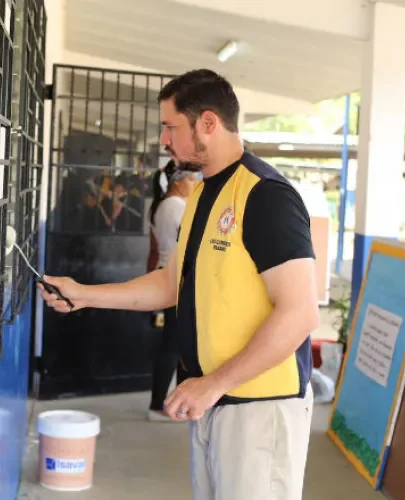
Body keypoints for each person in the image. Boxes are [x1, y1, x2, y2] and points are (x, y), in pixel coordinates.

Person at [38, 68, 319, 500]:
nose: (163, 140)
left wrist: (215, 383)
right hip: (211, 399)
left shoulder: (266, 196)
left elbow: (300, 313)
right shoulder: (203, 194)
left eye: (171, 127)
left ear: (208, 123)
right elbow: (172, 284)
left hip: (259, 409)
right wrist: (84, 295)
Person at [147, 162, 198, 422]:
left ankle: (173, 403)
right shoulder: (177, 207)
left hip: (167, 273)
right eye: (192, 180)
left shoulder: (160, 207)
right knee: (174, 344)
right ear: (179, 181)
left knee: (175, 342)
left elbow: (154, 249)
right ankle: (161, 405)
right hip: (177, 277)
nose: (195, 184)